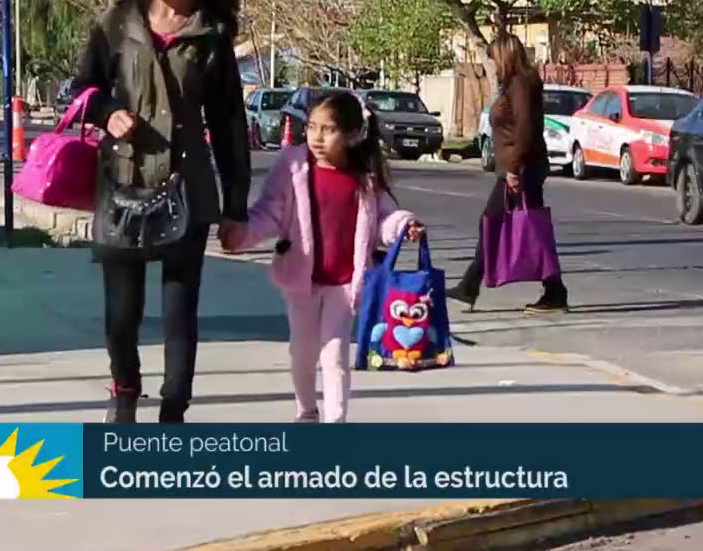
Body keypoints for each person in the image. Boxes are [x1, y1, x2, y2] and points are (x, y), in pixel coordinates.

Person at [74, 0, 251, 423]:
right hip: (123, 181)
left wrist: (234, 207)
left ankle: (174, 409)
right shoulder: (119, 22)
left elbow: (231, 124)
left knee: (179, 309)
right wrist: (109, 113)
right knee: (121, 311)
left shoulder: (211, 35)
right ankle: (124, 391)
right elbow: (81, 88)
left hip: (186, 187)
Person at [226, 91, 425, 423]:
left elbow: (383, 220)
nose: (317, 137)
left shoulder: (364, 177)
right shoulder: (293, 166)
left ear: (351, 134)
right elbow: (268, 213)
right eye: (312, 127)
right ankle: (307, 411)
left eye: (328, 129)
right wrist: (241, 235)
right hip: (301, 281)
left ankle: (337, 423)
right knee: (303, 354)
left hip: (344, 284)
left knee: (334, 356)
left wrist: (405, 225)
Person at [447, 33, 569, 313]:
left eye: (493, 59)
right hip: (520, 168)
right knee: (506, 225)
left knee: (504, 224)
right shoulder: (516, 83)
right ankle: (552, 289)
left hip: (522, 169)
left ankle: (552, 291)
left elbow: (525, 130)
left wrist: (514, 169)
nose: (492, 65)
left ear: (504, 55)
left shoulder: (521, 83)